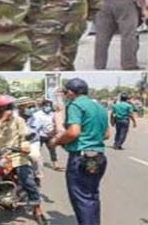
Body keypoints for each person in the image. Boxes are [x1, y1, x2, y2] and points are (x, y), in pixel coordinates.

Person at [47, 78, 110, 225]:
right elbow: (106, 134)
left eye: (66, 93)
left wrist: (56, 142)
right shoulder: (99, 107)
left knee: (81, 198)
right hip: (98, 156)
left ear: (70, 92)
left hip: (81, 157)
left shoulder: (75, 105)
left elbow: (73, 132)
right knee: (91, 196)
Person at [0, 95, 46, 223]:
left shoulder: (18, 120)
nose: (9, 110)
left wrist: (25, 147)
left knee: (28, 181)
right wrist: (2, 121)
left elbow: (24, 136)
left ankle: (37, 209)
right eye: (5, 107)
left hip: (16, 155)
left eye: (10, 107)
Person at [16, 97, 46, 183]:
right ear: (20, 108)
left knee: (35, 157)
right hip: (14, 142)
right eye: (29, 107)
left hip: (31, 142)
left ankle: (37, 176)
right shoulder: (13, 118)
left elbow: (35, 132)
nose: (32, 109)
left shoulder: (36, 118)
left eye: (33, 106)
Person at [34, 100, 62, 171]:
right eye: (46, 106)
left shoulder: (52, 114)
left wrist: (54, 132)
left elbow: (56, 123)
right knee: (37, 150)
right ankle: (35, 164)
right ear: (42, 106)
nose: (48, 107)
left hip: (50, 134)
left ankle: (55, 164)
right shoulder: (37, 114)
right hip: (40, 135)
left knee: (52, 149)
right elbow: (36, 125)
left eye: (49, 106)